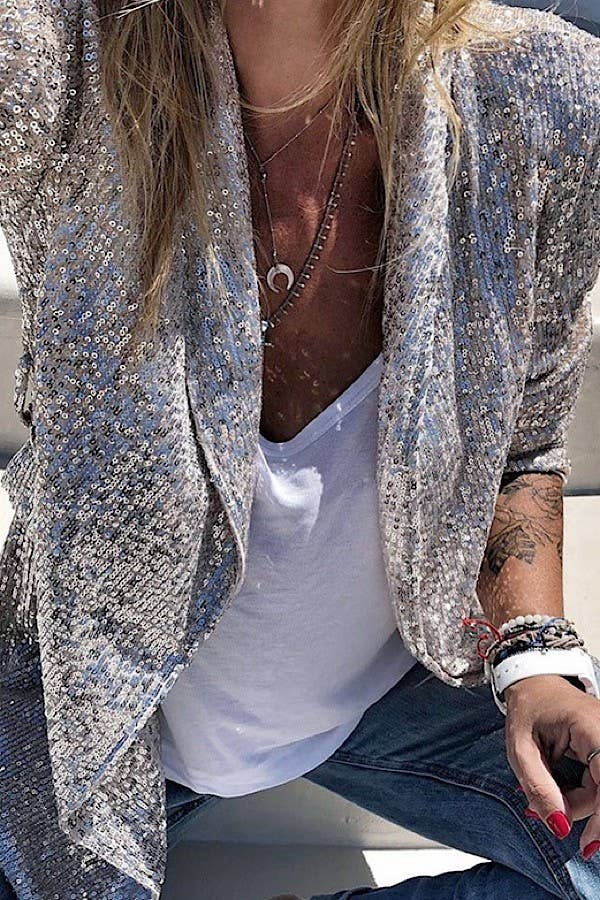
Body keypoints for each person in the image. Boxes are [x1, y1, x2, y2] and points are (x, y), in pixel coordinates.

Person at [0, 0, 599, 897]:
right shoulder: (60, 60)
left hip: (397, 688)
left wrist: (537, 662)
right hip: (98, 716)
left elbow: (521, 445)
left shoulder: (542, 94)